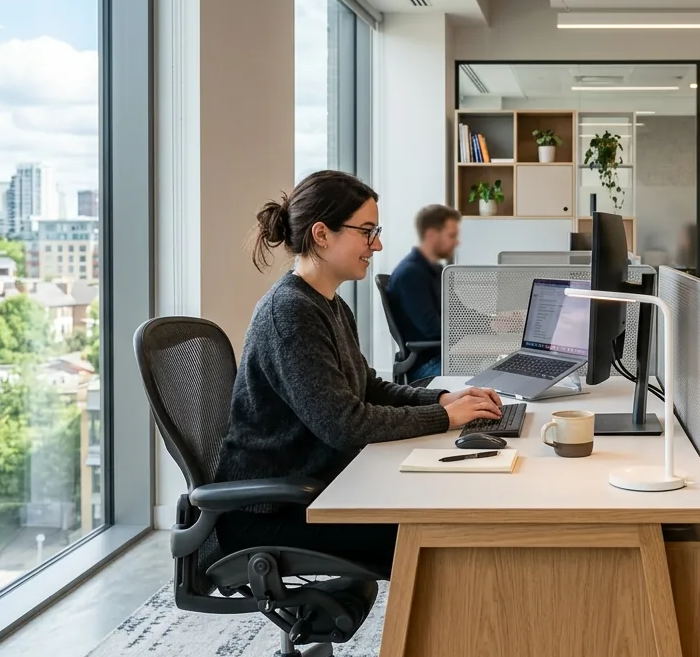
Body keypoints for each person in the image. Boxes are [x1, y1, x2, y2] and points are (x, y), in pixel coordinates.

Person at [213, 171, 501, 574]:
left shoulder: (328, 305)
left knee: (444, 508)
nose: (377, 244)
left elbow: (367, 388)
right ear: (321, 234)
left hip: (317, 488)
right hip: (272, 513)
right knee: (441, 537)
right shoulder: (291, 313)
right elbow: (345, 425)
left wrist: (440, 399)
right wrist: (445, 417)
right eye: (367, 231)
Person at [386, 204, 461, 380]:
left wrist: (493, 322)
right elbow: (432, 329)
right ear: (431, 235)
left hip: (443, 357)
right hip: (427, 366)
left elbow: (460, 312)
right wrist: (477, 329)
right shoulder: (411, 275)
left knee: (497, 370)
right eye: (452, 236)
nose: (457, 242)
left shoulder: (435, 271)